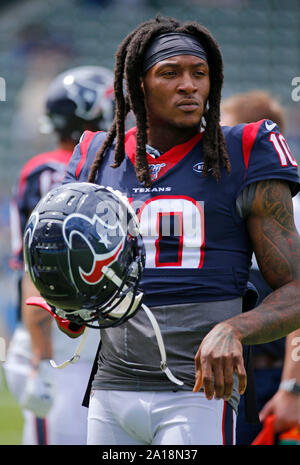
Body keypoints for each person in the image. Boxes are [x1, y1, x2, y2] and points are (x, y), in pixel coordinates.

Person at [25, 15, 300, 445]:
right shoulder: (97, 155)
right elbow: (72, 271)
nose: (189, 85)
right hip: (111, 389)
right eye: (170, 73)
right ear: (137, 85)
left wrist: (236, 328)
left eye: (199, 73)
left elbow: (296, 289)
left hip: (198, 392)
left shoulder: (246, 150)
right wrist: (72, 307)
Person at [4, 65, 114, 445]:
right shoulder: (56, 170)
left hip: (74, 338)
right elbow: (41, 266)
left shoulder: (60, 167)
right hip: (58, 339)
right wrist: (40, 357)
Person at [221, 90, 300, 444]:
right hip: (228, 372)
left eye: (226, 129)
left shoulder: (288, 209)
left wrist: (292, 388)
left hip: (268, 379)